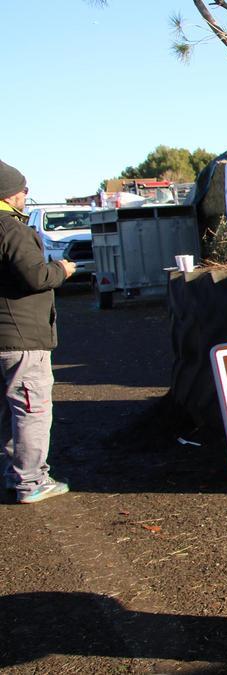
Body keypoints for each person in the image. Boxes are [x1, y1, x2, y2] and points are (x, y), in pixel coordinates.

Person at [0, 159, 76, 504]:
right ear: (10, 194)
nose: (25, 196)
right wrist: (61, 269)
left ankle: (13, 473)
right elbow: (36, 276)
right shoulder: (12, 230)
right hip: (22, 337)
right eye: (23, 190)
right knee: (31, 409)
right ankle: (31, 481)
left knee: (9, 410)